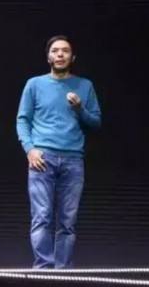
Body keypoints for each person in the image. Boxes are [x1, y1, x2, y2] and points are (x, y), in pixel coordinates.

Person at [16, 35, 101, 268]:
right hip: (42, 158)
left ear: (73, 57)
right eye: (55, 51)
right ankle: (43, 270)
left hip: (73, 159)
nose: (60, 54)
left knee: (68, 222)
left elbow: (95, 123)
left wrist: (80, 108)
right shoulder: (34, 84)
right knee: (41, 217)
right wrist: (30, 150)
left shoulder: (85, 86)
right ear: (48, 57)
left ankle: (63, 273)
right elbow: (23, 120)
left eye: (65, 51)